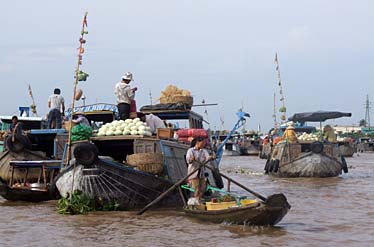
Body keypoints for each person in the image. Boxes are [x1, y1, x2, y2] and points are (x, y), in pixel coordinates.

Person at [185, 137, 214, 203]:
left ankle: (197, 200)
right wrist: (191, 159)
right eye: (202, 143)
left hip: (201, 173)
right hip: (193, 172)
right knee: (197, 188)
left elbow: (207, 158)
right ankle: (196, 202)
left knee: (203, 188)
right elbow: (188, 160)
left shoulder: (203, 151)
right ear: (198, 143)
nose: (203, 144)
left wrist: (211, 157)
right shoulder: (191, 150)